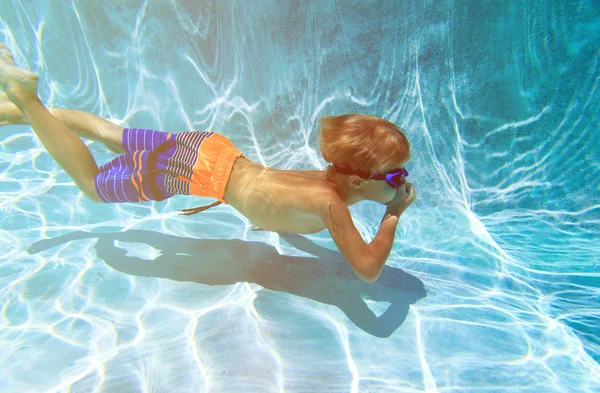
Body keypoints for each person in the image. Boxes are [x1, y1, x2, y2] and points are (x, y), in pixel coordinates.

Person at [0, 43, 416, 283]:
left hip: (213, 149)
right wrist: (393, 214)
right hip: (193, 171)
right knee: (92, 185)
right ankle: (27, 99)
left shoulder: (322, 181)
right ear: (358, 182)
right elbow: (366, 270)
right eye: (396, 176)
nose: (401, 183)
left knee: (111, 134)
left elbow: (285, 214)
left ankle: (11, 106)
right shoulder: (332, 206)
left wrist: (268, 217)